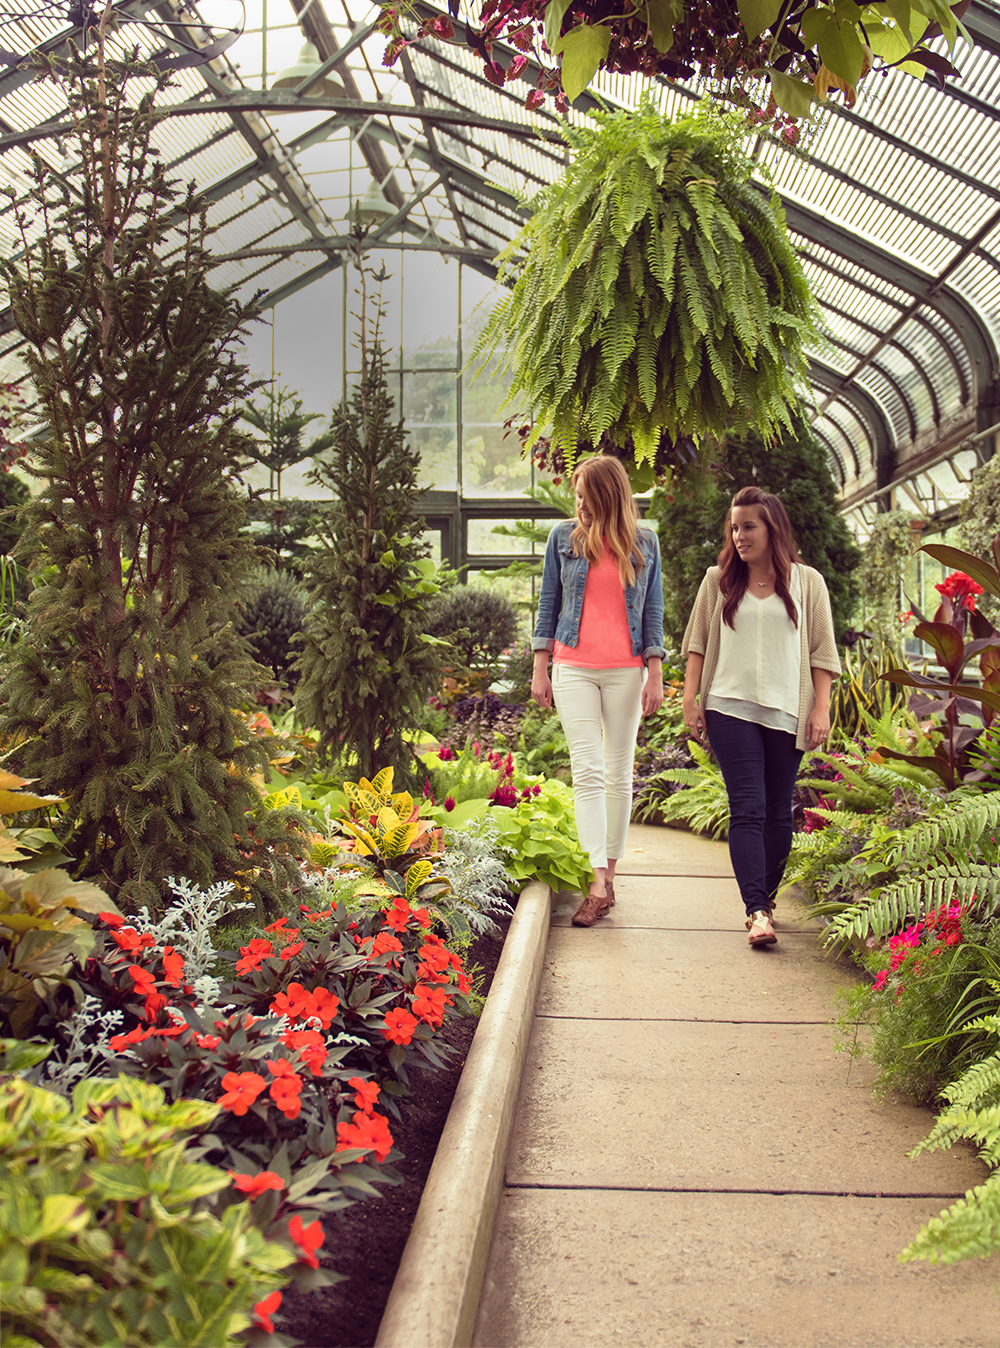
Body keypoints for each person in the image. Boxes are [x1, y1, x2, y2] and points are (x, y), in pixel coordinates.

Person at [681, 486, 841, 947]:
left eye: (748, 526)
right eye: (734, 527)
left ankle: (765, 901)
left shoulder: (807, 583)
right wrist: (691, 699)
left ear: (772, 528)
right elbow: (697, 644)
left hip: (786, 711)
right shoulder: (718, 580)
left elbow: (822, 653)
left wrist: (821, 708)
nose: (739, 535)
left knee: (778, 813)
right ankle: (756, 911)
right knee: (746, 808)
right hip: (728, 708)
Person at [531, 455, 665, 927]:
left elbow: (653, 611)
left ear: (608, 495)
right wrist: (540, 667)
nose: (580, 503)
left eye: (587, 494)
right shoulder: (563, 540)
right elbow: (549, 601)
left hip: (626, 671)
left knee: (618, 772)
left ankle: (609, 871)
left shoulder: (644, 543)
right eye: (577, 494)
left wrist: (655, 673)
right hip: (574, 667)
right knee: (587, 770)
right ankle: (597, 882)